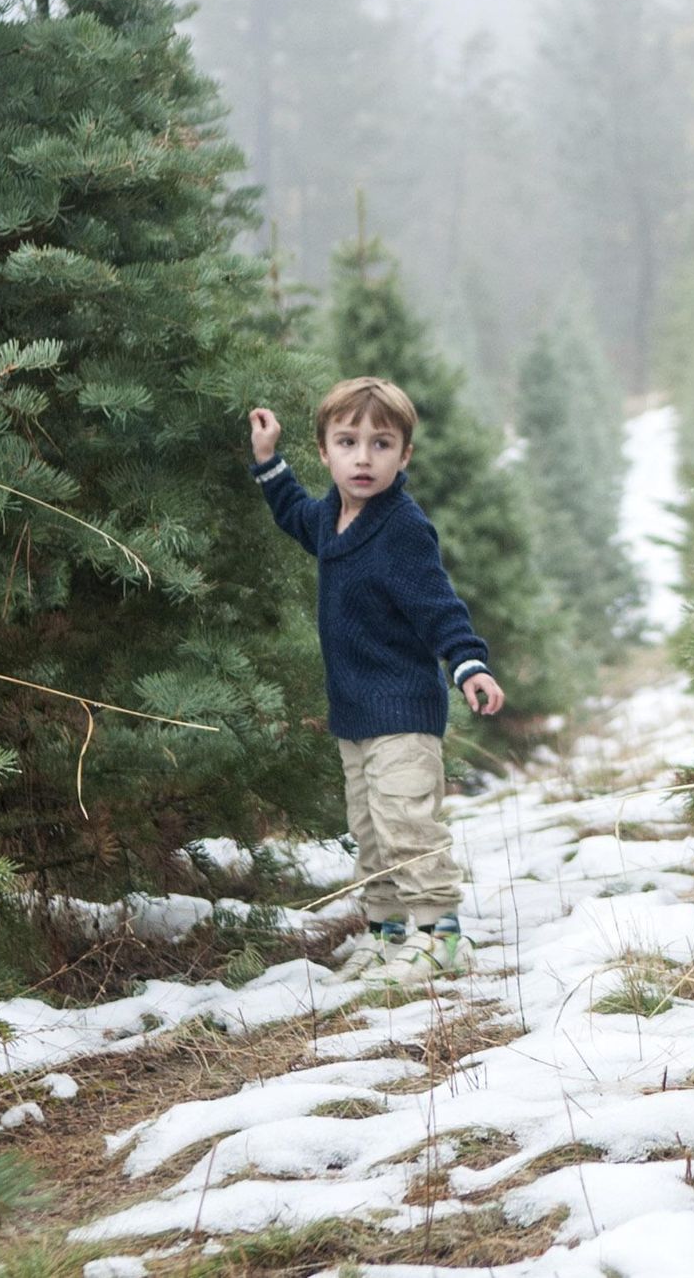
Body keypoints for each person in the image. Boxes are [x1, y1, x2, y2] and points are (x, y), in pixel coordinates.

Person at [248, 377, 505, 980]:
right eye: (348, 442)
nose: (363, 458)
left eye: (381, 444)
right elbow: (292, 512)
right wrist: (267, 459)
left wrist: (467, 662)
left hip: (403, 710)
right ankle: (386, 932)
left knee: (406, 822)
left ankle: (440, 935)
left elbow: (438, 604)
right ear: (325, 452)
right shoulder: (330, 518)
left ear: (404, 455)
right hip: (355, 712)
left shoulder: (401, 527)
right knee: (369, 829)